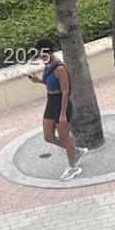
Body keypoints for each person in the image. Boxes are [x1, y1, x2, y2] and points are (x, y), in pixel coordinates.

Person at [26, 40, 86, 181]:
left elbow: (65, 91)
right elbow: (50, 83)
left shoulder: (60, 68)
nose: (40, 57)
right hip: (50, 102)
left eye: (41, 54)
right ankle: (76, 151)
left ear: (48, 52)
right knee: (48, 137)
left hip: (61, 104)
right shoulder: (47, 66)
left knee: (65, 138)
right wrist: (38, 81)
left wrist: (63, 113)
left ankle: (73, 167)